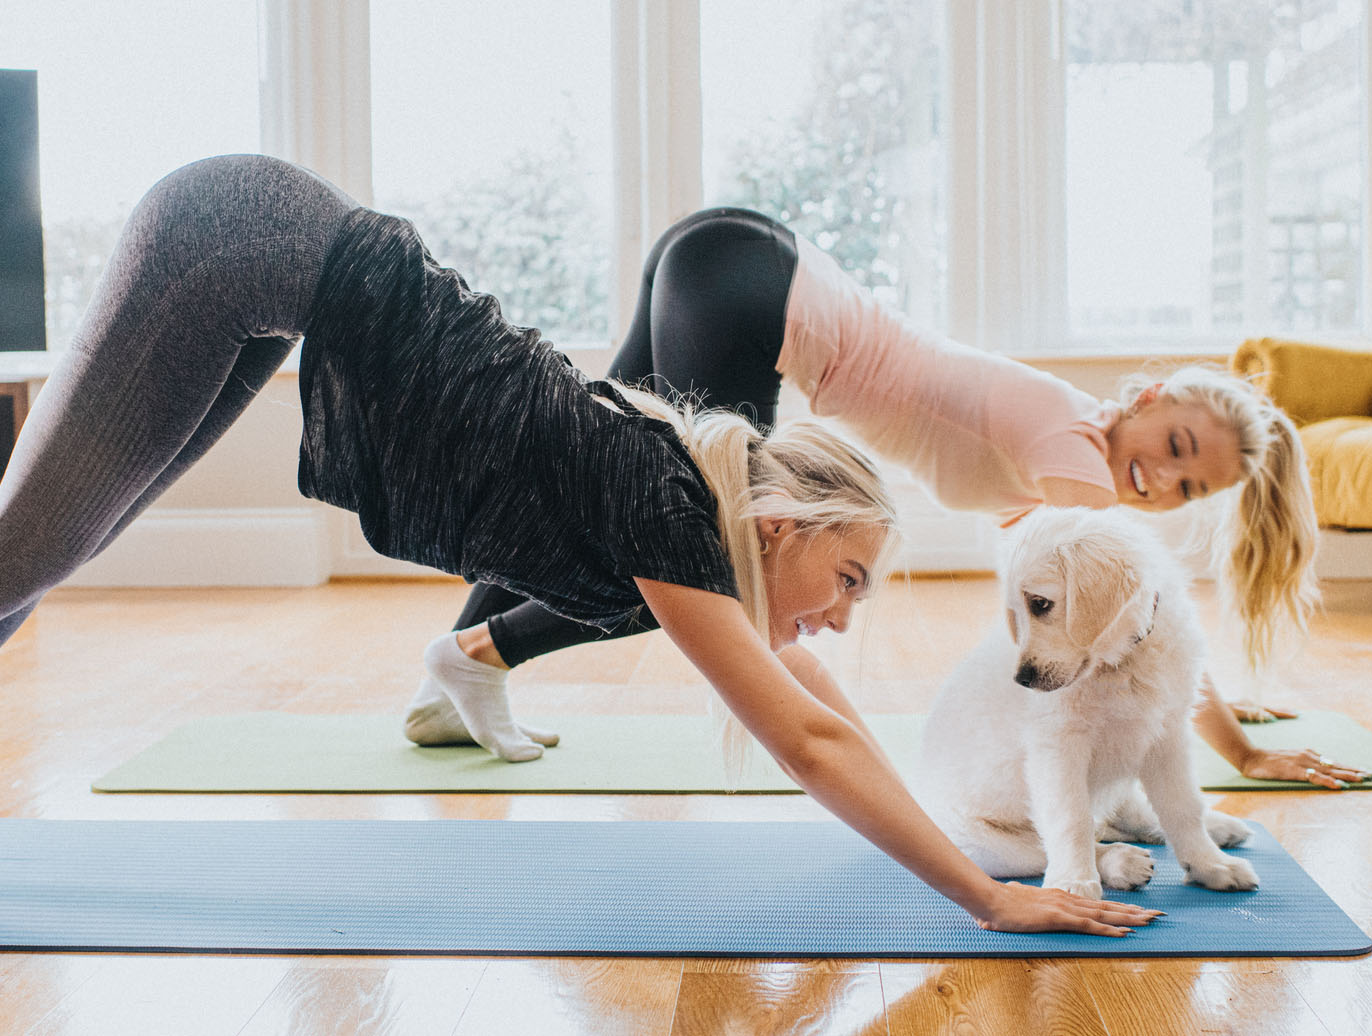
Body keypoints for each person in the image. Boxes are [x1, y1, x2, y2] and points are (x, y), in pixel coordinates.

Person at [0, 154, 1162, 937]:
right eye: (847, 580)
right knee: (23, 557)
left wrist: (943, 827)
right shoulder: (670, 510)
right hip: (244, 237)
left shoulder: (696, 524)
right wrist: (987, 899)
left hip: (270, 256)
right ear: (778, 527)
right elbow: (808, 741)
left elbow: (824, 708)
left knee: (43, 554)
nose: (843, 616)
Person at [411, 207, 1372, 790]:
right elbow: (1145, 621)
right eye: (1173, 448)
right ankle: (475, 655)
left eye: (1187, 486)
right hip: (749, 289)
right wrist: (1237, 751)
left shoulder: (1060, 447)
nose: (1159, 480)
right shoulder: (1072, 452)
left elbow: (1110, 621)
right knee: (700, 555)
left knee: (587, 484)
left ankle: (450, 686)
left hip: (725, 257)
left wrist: (1215, 711)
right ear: (1149, 398)